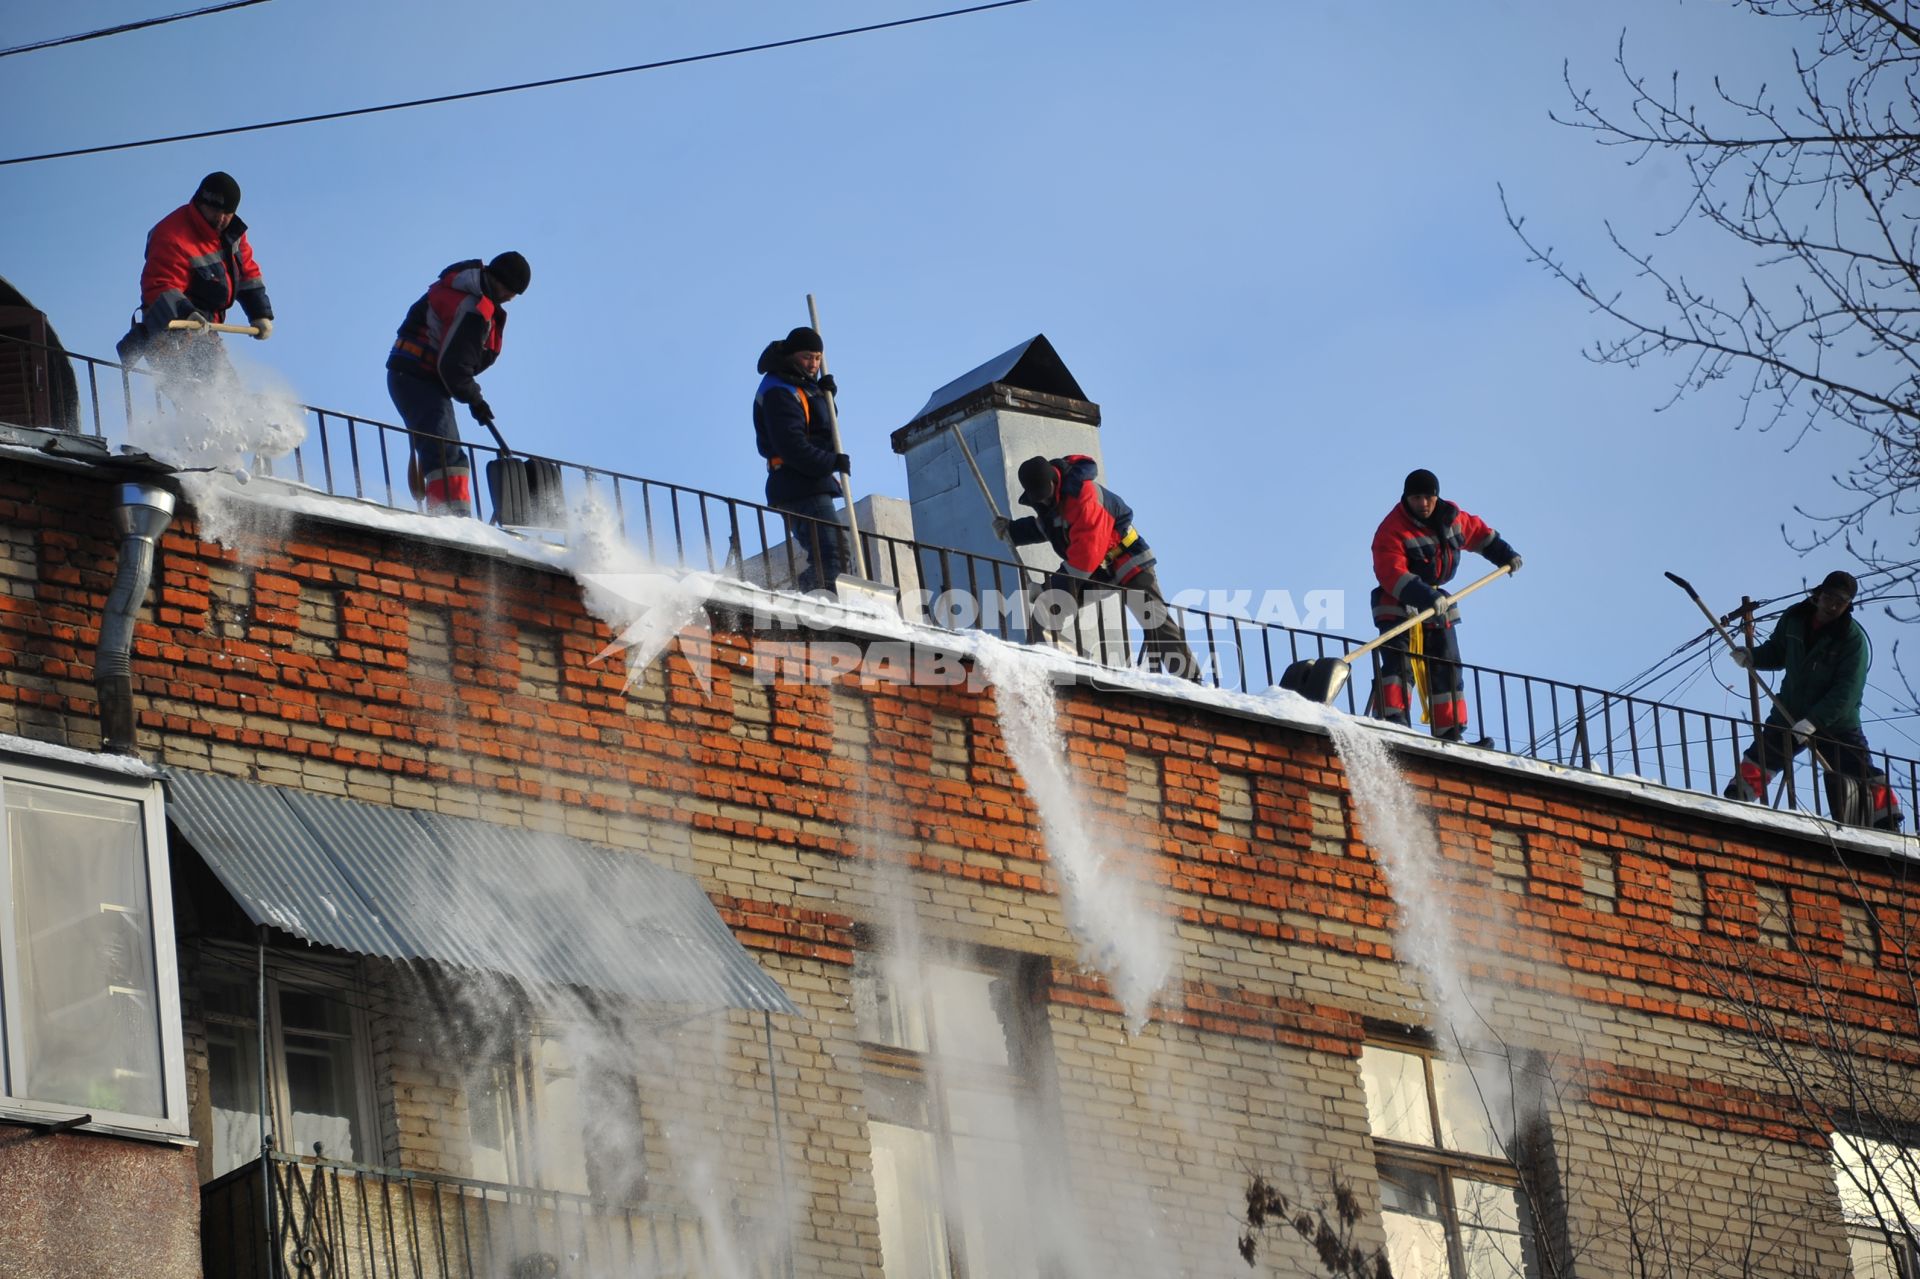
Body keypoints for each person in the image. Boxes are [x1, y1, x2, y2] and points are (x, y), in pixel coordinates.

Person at [1724, 571, 1903, 830]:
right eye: (1829, 598)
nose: (1832, 606)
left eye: (1840, 603)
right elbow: (1777, 651)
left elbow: (1847, 692)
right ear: (1818, 594)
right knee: (1762, 757)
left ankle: (1886, 823)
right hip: (1791, 709)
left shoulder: (1851, 640)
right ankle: (1735, 802)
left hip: (1837, 722)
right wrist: (1752, 657)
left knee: (1858, 770)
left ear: (1847, 606)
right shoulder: (1794, 619)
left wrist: (1814, 721)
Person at [994, 454, 1199, 680]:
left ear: (1054, 480)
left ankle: (1192, 685)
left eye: (1045, 495)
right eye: (1039, 498)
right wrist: (1013, 531)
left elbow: (1084, 560)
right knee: (1046, 612)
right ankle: (1044, 671)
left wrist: (1046, 588)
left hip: (1127, 559)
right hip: (1097, 568)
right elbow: (1050, 527)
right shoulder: (1050, 499)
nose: (1043, 502)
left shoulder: (1083, 497)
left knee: (1155, 622)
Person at [1370, 468, 1521, 742]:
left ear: (1437, 497)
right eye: (1417, 498)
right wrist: (1425, 596)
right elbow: (1390, 572)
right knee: (1399, 662)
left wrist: (1505, 555)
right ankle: (1393, 722)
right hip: (1397, 600)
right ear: (1407, 498)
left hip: (1439, 600)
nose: (1423, 504)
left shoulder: (1453, 519)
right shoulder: (1392, 528)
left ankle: (1450, 733)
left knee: (1446, 663)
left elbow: (1480, 535)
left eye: (1428, 497)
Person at [386, 252, 531, 517]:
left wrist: (472, 398)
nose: (511, 298)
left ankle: (450, 516)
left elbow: (456, 364)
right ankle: (452, 521)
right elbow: (453, 366)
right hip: (418, 378)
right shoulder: (472, 306)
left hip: (416, 378)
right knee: (447, 456)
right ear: (500, 282)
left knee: (443, 451)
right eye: (511, 291)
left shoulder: (470, 294)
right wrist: (475, 399)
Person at [127, 171, 273, 402]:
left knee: (227, 393)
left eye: (228, 213)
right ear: (200, 202)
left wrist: (260, 313)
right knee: (207, 399)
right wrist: (187, 314)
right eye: (216, 211)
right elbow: (160, 286)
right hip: (170, 333)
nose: (221, 219)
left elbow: (247, 273)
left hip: (205, 330)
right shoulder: (172, 235)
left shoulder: (231, 233)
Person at [753, 326, 850, 592]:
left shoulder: (799, 385)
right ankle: (817, 605)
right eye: (808, 357)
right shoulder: (779, 390)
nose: (814, 364)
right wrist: (830, 463)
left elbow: (821, 431)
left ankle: (810, 596)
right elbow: (791, 445)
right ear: (792, 355)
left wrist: (822, 396)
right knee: (833, 556)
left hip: (809, 480)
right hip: (797, 482)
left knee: (835, 556)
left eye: (818, 358)